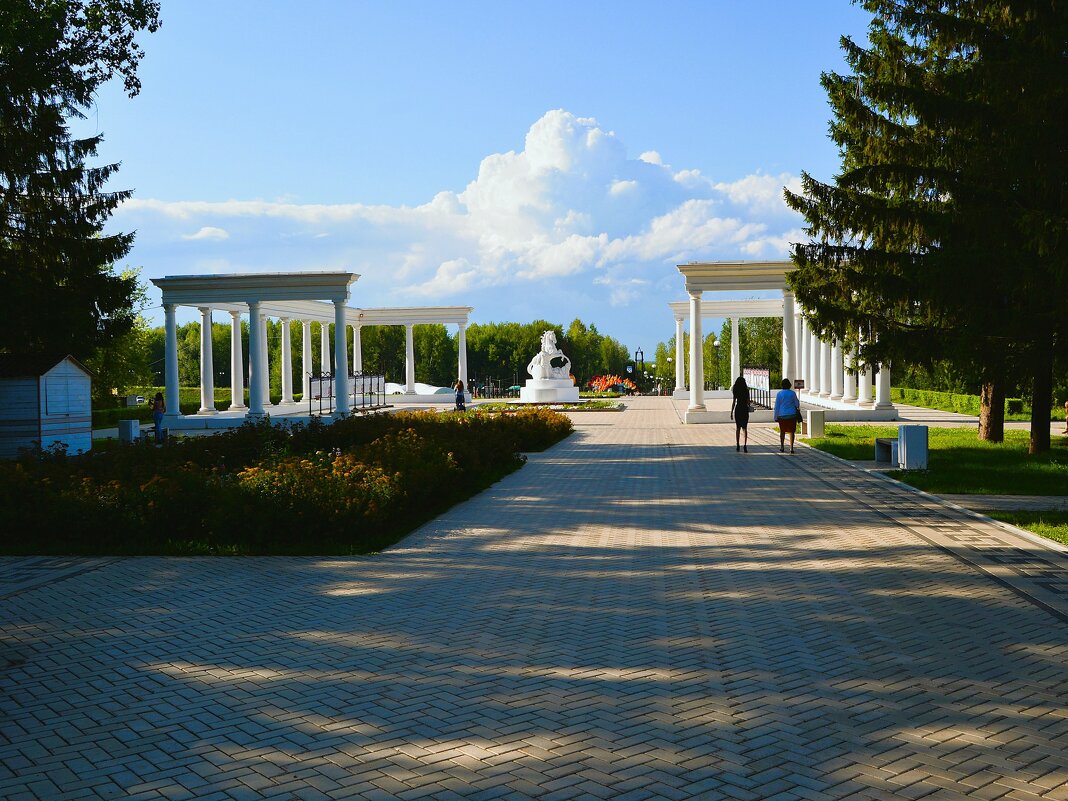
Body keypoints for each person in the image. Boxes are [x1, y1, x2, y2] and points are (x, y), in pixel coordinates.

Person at [773, 378, 802, 454]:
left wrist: (775, 417)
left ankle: (782, 447)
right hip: (792, 415)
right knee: (792, 431)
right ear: (789, 385)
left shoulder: (779, 394)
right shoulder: (792, 393)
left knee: (782, 431)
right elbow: (797, 404)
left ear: (782, 385)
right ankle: (791, 447)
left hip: (782, 415)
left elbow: (777, 406)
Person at [730, 376, 750, 452]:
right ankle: (745, 445)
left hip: (738, 409)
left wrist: (731, 412)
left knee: (738, 428)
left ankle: (738, 444)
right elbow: (748, 402)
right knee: (745, 428)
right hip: (744, 410)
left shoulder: (736, 390)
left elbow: (734, 402)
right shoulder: (746, 390)